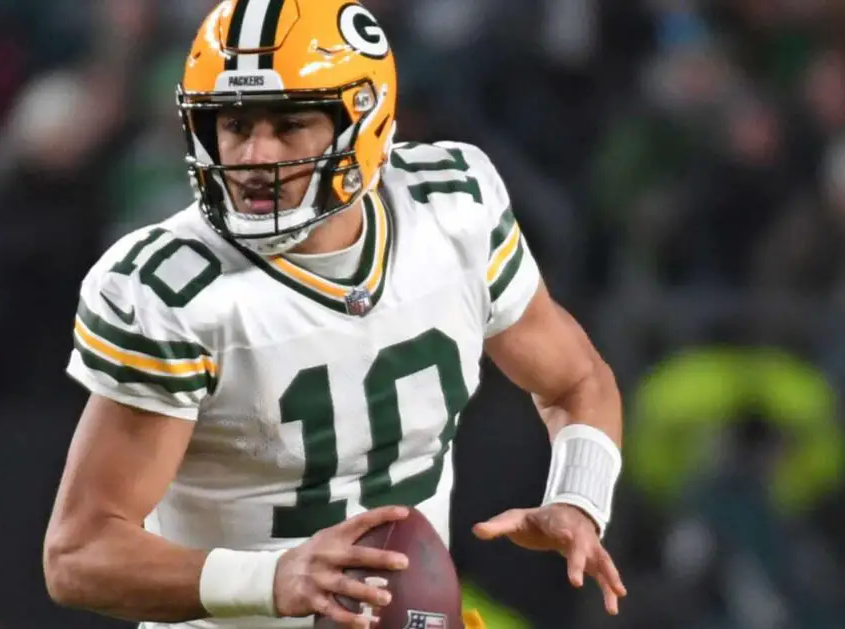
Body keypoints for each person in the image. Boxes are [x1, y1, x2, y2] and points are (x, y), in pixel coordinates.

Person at [43, 1, 627, 627]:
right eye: (234, 125)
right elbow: (79, 552)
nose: (249, 155)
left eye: (289, 125)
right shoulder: (176, 292)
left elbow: (576, 380)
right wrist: (273, 578)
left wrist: (578, 497)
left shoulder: (452, 210)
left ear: (366, 121)